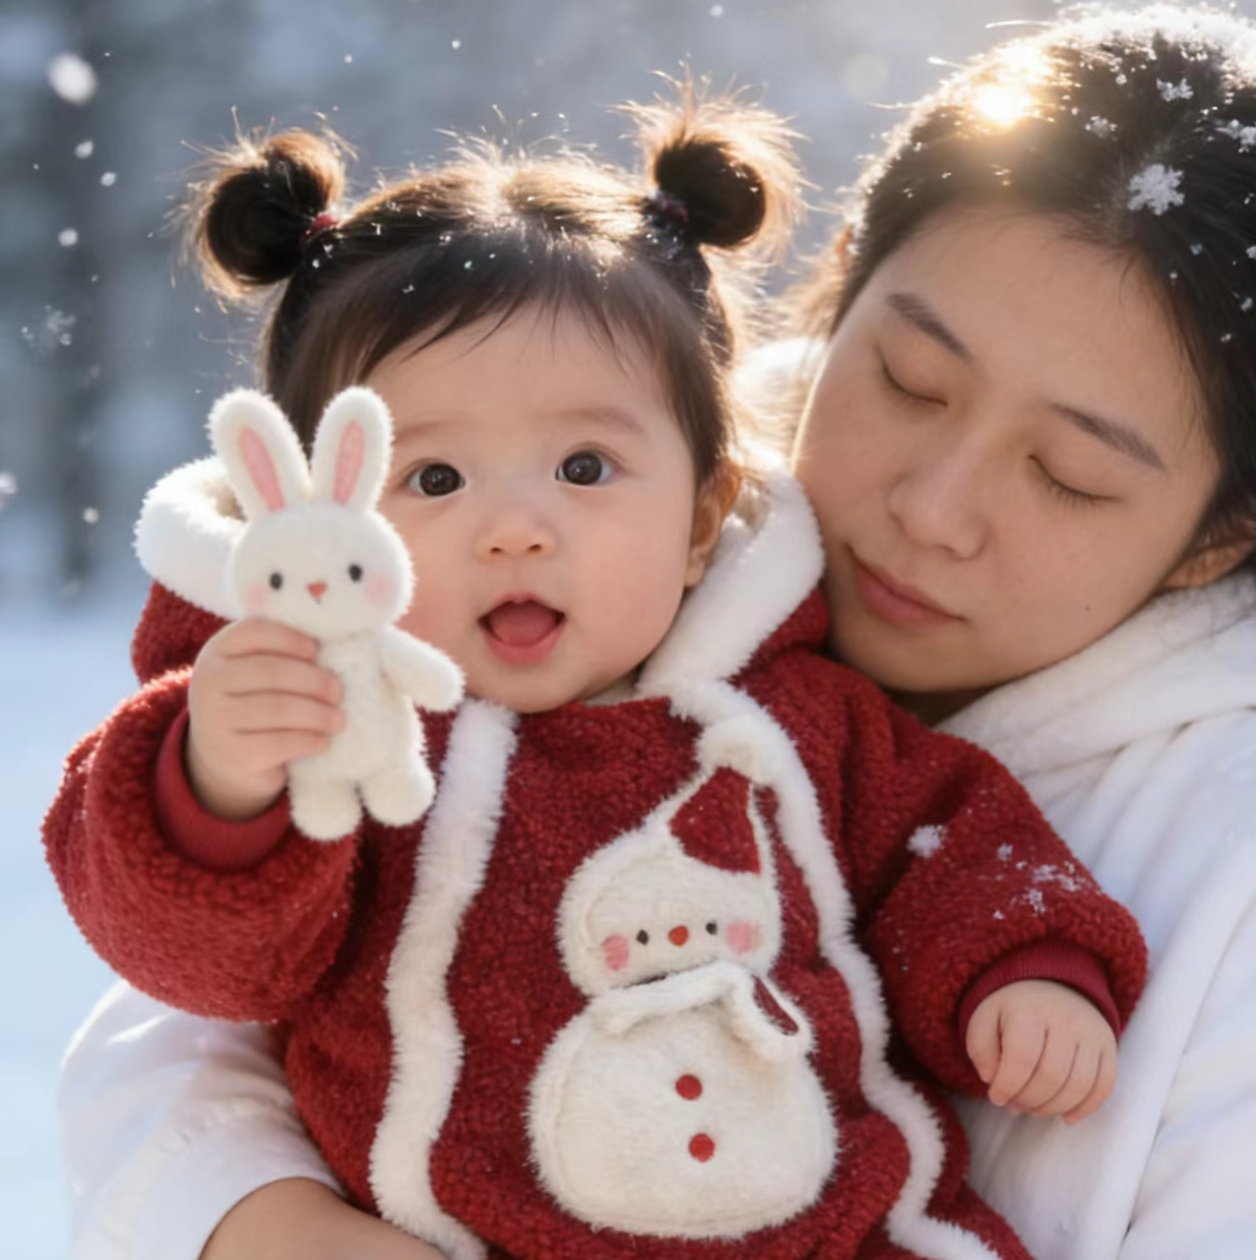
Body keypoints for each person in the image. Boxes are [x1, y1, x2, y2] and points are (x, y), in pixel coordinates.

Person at [56, 4, 1255, 1259]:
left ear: (1220, 537)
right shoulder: (563, 557)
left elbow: (948, 849)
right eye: (910, 381)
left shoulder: (1206, 854)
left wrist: (1033, 967)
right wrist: (220, 793)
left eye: (1069, 475)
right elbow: (180, 1011)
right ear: (843, 282)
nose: (932, 512)